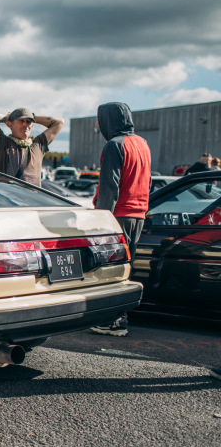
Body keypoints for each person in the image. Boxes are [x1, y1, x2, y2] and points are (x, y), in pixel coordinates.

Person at [89, 102, 151, 337]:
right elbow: (148, 182)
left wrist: (102, 218)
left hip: (118, 216)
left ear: (108, 121)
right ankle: (120, 317)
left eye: (100, 120)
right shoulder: (143, 144)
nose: (98, 125)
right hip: (138, 214)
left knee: (112, 269)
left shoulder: (114, 145)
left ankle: (113, 319)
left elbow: (109, 188)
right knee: (126, 268)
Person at [0, 108, 64, 186]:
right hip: (7, 200)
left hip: (32, 200)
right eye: (21, 121)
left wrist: (33, 117)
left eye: (28, 122)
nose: (25, 124)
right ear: (10, 124)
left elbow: (59, 122)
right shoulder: (3, 143)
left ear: (32, 125)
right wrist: (6, 118)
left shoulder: (38, 145)